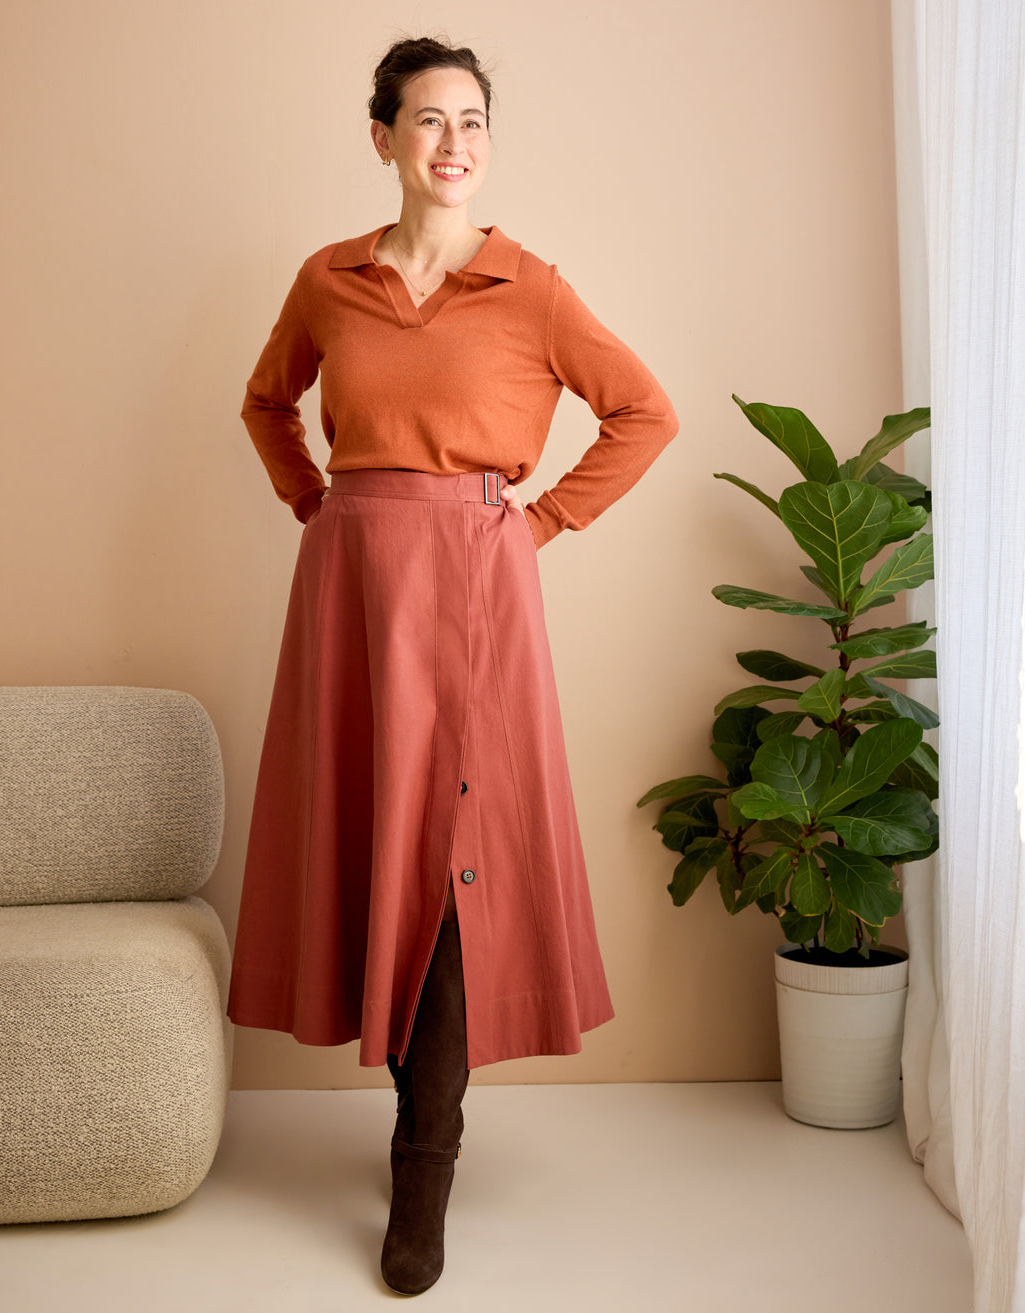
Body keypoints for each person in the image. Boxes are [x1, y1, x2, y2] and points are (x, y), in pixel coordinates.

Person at [226, 35, 678, 1296]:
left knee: (455, 852)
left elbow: (644, 410)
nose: (454, 143)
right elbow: (266, 401)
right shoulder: (329, 281)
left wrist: (536, 522)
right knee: (379, 835)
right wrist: (316, 503)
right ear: (383, 138)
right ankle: (417, 1101)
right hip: (354, 583)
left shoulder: (529, 288)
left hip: (478, 583)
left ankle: (425, 1152)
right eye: (428, 120)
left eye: (473, 121)